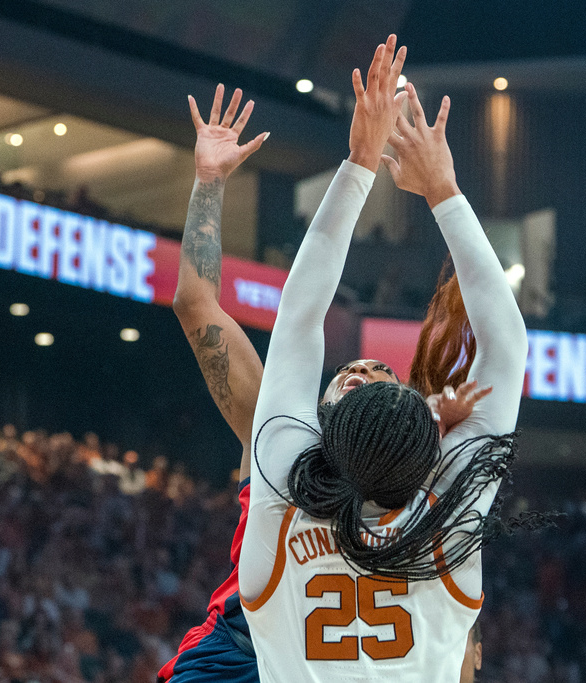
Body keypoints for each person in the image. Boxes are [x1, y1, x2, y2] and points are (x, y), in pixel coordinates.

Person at [159, 70, 492, 682]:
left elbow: (453, 643)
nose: (364, 369)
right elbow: (196, 305)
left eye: (380, 374)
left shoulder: (426, 495)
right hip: (242, 655)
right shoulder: (277, 428)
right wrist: (207, 183)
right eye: (355, 368)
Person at [239, 34, 529, 682]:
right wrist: (441, 189)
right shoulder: (447, 514)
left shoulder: (284, 491)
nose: (368, 371)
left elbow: (297, 322)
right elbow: (507, 346)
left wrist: (360, 163)